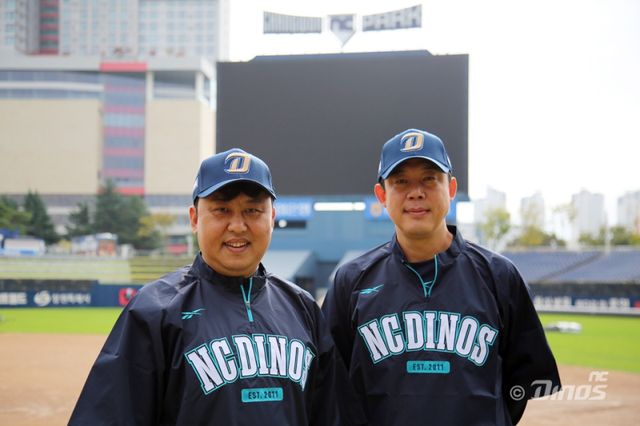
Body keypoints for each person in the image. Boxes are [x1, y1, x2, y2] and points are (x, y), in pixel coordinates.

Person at [70, 148, 346, 425]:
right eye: (222, 210)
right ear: (194, 219)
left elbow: (332, 415)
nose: (237, 226)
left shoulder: (302, 308)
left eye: (252, 210)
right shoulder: (155, 310)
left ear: (271, 218)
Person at [322, 129, 561, 425]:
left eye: (429, 178)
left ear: (451, 189)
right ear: (382, 195)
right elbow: (332, 386)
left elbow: (521, 384)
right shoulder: (351, 281)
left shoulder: (498, 275)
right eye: (400, 181)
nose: (416, 192)